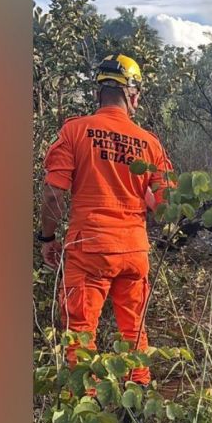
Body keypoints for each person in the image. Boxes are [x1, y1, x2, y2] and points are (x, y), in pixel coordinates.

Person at [37, 54, 172, 386]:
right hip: (134, 252)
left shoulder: (75, 130)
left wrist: (47, 238)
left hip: (89, 249)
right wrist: (143, 196)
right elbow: (166, 206)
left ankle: (85, 414)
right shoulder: (150, 143)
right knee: (134, 328)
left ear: (98, 93)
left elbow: (54, 195)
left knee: (81, 332)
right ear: (133, 95)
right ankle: (138, 396)